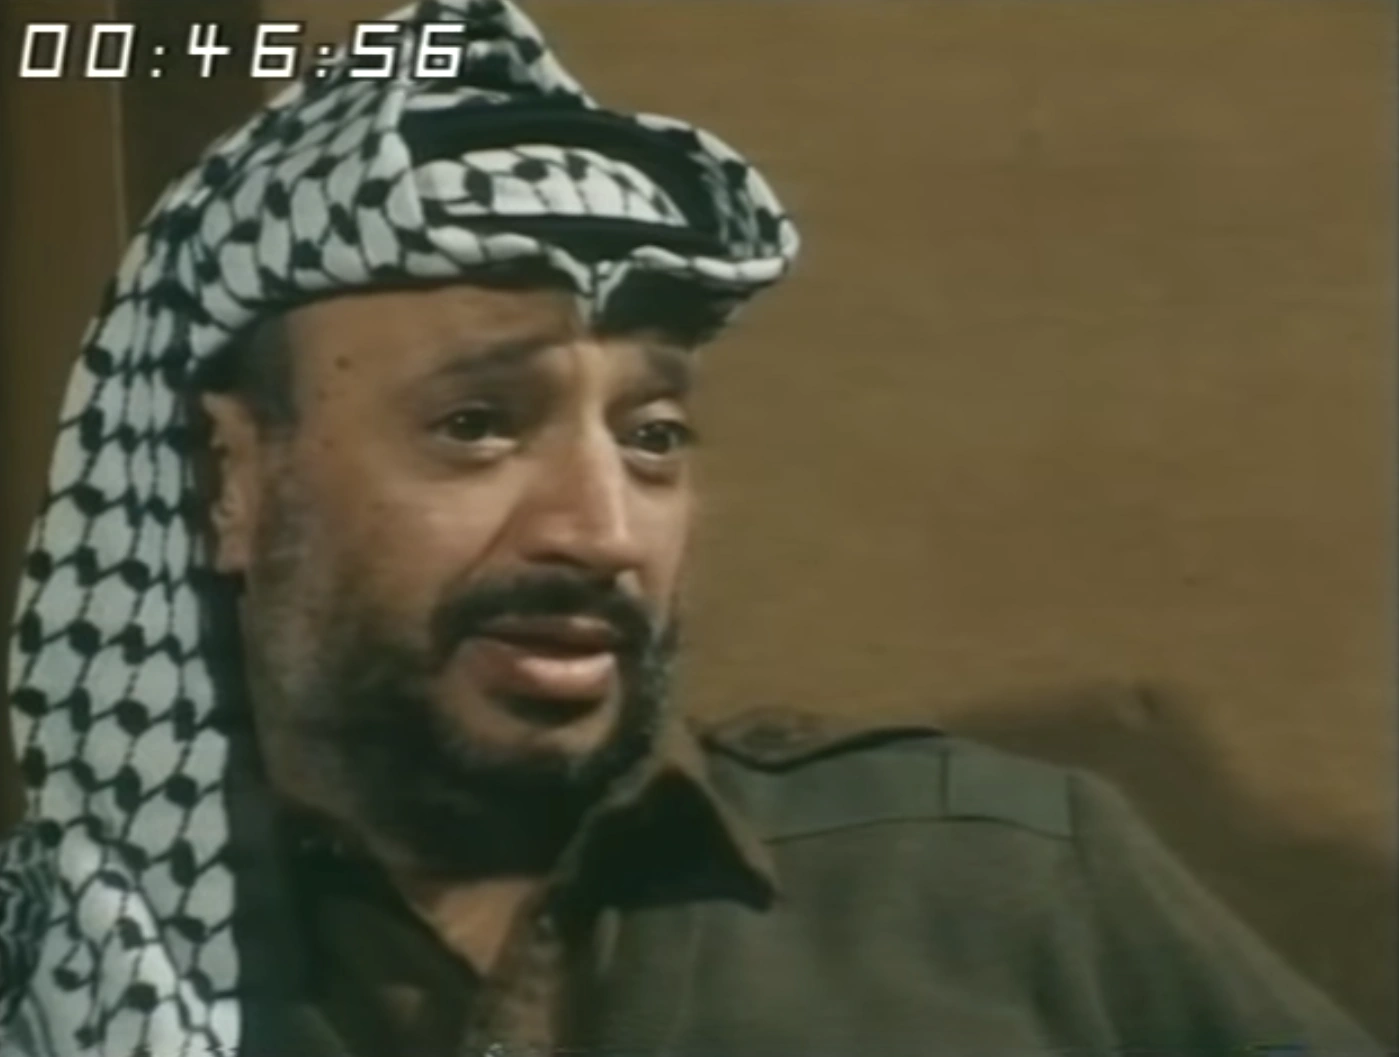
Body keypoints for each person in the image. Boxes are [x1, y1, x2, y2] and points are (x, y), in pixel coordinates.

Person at [0, 2, 1384, 1055]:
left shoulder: (1005, 887)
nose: (603, 533)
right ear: (230, 481)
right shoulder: (65, 982)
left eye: (652, 434)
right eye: (478, 423)